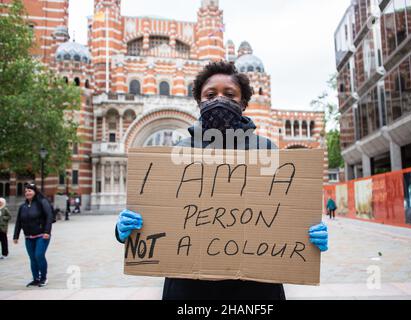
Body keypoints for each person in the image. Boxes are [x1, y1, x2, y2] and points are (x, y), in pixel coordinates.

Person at [115, 61, 329, 300]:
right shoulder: (179, 151)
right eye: (210, 94)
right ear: (199, 101)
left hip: (254, 289)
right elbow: (161, 210)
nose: (219, 99)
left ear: (244, 102)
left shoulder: (266, 150)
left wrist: (308, 232)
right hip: (190, 288)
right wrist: (126, 228)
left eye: (229, 94)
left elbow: (285, 210)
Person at [13, 183, 53, 287]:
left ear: (35, 192)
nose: (27, 193)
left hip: (42, 235)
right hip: (28, 237)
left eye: (30, 191)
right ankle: (36, 278)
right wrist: (15, 236)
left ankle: (43, 278)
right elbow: (18, 222)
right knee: (32, 258)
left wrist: (47, 232)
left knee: (39, 255)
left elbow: (49, 216)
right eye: (26, 191)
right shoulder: (23, 207)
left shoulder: (42, 202)